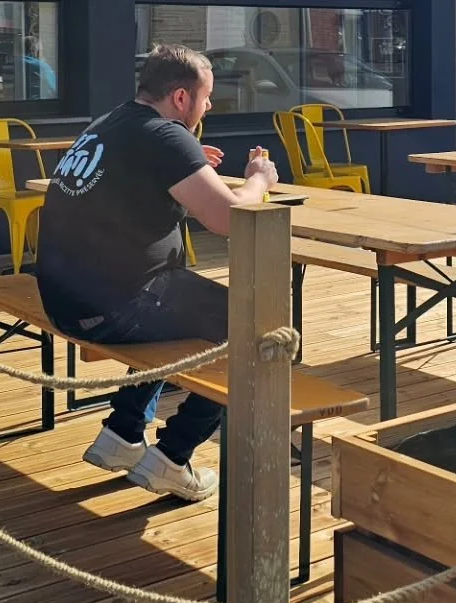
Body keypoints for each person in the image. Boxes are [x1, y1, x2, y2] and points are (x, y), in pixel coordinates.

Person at [35, 43, 279, 503]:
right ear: (181, 97)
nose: (209, 107)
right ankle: (173, 455)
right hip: (114, 308)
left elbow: (136, 174)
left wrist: (187, 159)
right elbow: (230, 219)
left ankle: (123, 434)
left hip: (65, 300)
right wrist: (259, 179)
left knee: (179, 302)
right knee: (257, 322)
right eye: (206, 97)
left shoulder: (110, 124)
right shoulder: (165, 137)